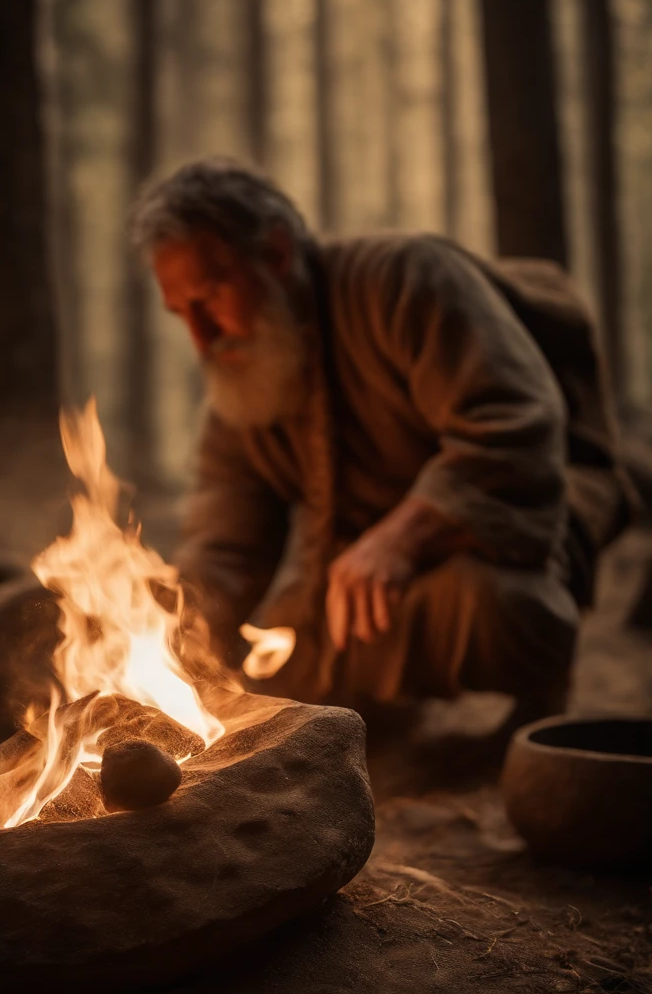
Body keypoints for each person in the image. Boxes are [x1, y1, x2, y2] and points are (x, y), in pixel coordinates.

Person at [131, 158, 633, 720]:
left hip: (502, 546)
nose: (200, 338)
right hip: (359, 585)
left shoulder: (405, 278)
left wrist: (401, 537)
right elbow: (225, 548)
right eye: (181, 314)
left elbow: (513, 422)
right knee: (271, 685)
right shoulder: (239, 387)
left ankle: (538, 704)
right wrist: (169, 638)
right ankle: (383, 713)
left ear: (276, 253)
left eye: (210, 298)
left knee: (498, 606)